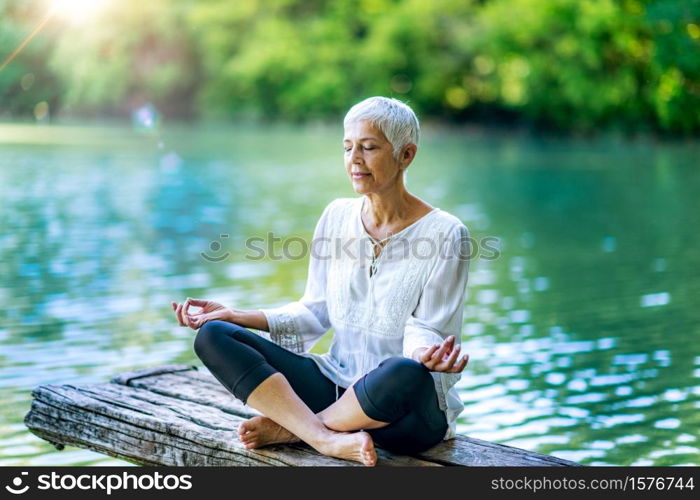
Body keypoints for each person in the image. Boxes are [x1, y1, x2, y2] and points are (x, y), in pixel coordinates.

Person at [171, 96, 470, 467]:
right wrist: (236, 315)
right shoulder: (336, 217)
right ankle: (323, 437)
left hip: (404, 412)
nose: (354, 159)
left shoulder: (447, 233)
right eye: (348, 147)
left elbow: (426, 328)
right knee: (214, 336)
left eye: (369, 148)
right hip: (334, 385)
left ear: (405, 155)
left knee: (404, 370)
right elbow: (315, 312)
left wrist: (427, 355)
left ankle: (292, 429)